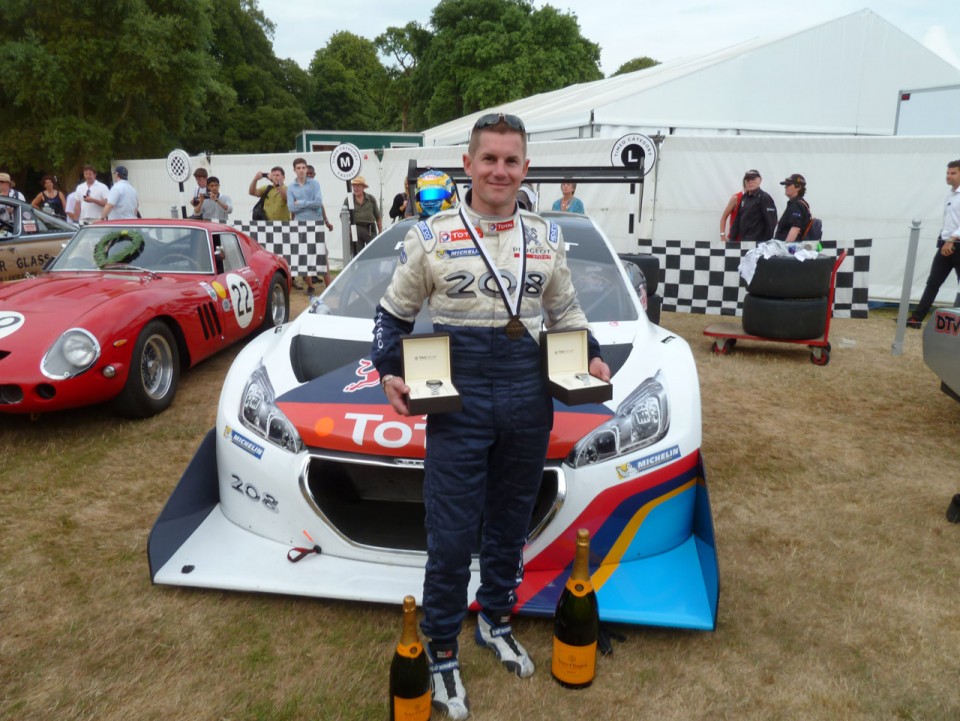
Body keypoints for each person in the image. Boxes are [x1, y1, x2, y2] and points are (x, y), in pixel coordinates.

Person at [371, 112, 611, 720]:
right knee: (451, 530)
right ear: (468, 166)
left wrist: (595, 359)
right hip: (459, 389)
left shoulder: (549, 237)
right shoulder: (430, 235)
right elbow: (390, 319)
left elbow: (569, 316)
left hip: (528, 387)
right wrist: (389, 372)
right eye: (489, 159)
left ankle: (497, 617)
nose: (499, 170)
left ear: (526, 168)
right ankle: (443, 644)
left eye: (511, 160)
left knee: (510, 516)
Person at [907, 160, 960, 329]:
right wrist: (944, 239)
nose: (948, 176)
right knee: (933, 282)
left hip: (956, 244)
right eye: (947, 173)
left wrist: (952, 239)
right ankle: (916, 319)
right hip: (946, 244)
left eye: (953, 173)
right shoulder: (951, 195)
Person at [288, 158, 333, 294]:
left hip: (316, 224)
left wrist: (300, 203)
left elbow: (318, 203)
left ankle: (329, 285)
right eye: (298, 168)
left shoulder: (315, 184)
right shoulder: (291, 187)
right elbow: (291, 207)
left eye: (303, 167)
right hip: (300, 225)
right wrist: (309, 203)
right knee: (304, 256)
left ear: (307, 169)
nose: (301, 170)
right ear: (294, 170)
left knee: (322, 255)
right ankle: (310, 286)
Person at [728, 169, 778, 242]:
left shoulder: (764, 197)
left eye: (753, 179)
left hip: (758, 243)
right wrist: (731, 239)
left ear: (760, 180)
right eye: (747, 180)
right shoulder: (744, 197)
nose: (750, 182)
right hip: (744, 242)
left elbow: (771, 222)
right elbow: (737, 220)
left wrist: (765, 243)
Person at [774, 173, 811, 243]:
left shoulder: (797, 204)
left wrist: (785, 247)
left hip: (790, 250)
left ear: (798, 187)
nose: (785, 187)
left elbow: (796, 228)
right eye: (785, 185)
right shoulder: (797, 203)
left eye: (788, 185)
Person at [349, 175, 382, 252]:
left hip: (370, 229)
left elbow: (377, 216)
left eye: (358, 186)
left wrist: (380, 232)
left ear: (363, 187)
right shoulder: (349, 200)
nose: (355, 188)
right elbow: (343, 216)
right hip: (356, 229)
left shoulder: (371, 199)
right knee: (357, 254)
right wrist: (349, 230)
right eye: (354, 186)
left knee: (373, 252)